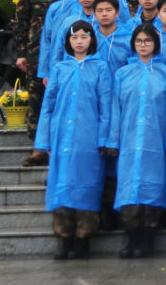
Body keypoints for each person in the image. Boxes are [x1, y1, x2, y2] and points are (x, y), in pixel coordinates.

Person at [35, 20, 112, 260]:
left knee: (87, 187)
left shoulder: (100, 68)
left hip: (89, 138)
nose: (79, 41)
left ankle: (83, 240)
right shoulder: (59, 68)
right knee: (61, 186)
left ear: (92, 39)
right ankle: (64, 238)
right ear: (68, 41)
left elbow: (106, 106)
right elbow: (47, 107)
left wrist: (104, 138)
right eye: (74, 37)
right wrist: (45, 141)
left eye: (84, 36)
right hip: (61, 137)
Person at [106, 24, 166, 259]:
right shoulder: (123, 74)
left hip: (156, 141)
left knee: (152, 188)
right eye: (139, 41)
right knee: (128, 188)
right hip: (128, 140)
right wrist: (113, 141)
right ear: (133, 44)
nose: (143, 45)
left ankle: (148, 238)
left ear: (155, 44)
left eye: (147, 40)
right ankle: (132, 237)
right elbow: (115, 109)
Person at [16, 0, 69, 164]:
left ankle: (61, 145)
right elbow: (21, 21)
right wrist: (21, 53)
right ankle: (38, 147)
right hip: (37, 54)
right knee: (37, 99)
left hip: (67, 53)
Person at [93, 0, 132, 75]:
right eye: (100, 11)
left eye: (108, 10)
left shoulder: (128, 39)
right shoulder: (89, 36)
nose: (104, 14)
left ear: (117, 13)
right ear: (95, 15)